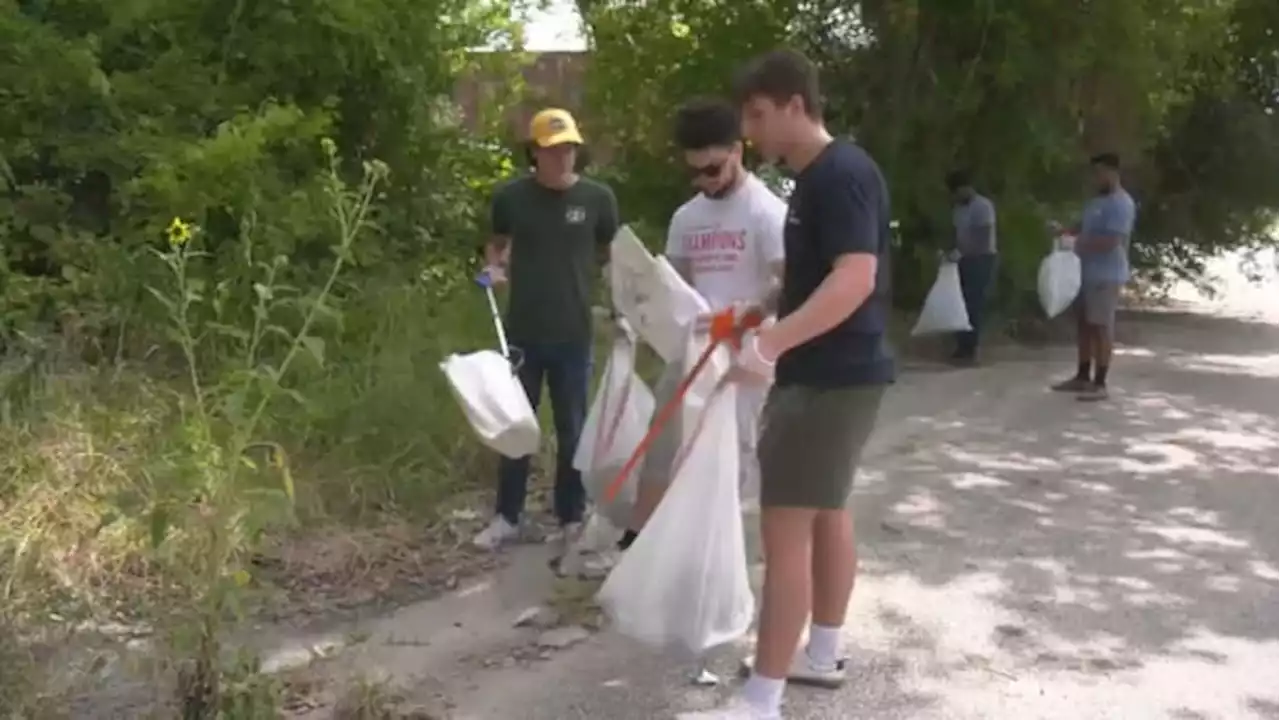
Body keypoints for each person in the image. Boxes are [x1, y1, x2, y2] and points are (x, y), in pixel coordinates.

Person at [678, 49, 896, 720]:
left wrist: (769, 344)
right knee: (826, 514)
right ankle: (821, 653)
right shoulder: (816, 180)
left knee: (786, 534)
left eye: (759, 115)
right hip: (841, 375)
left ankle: (760, 700)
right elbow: (812, 274)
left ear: (796, 105)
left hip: (826, 380)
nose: (751, 131)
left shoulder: (839, 175)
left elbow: (854, 277)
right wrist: (760, 307)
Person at [580, 96, 786, 579]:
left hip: (745, 355)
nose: (705, 182)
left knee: (726, 456)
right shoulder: (687, 217)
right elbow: (674, 282)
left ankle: (714, 561)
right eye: (694, 173)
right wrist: (639, 310)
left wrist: (745, 314)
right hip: (691, 348)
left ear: (738, 151)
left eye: (713, 169)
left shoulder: (766, 212)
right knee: (663, 445)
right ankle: (636, 548)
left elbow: (785, 280)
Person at [472, 108, 621, 567]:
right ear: (534, 152)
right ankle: (508, 516)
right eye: (554, 150)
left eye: (570, 149)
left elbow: (613, 255)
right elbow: (497, 244)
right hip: (522, 332)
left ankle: (571, 515)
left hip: (574, 333)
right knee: (517, 425)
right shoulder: (512, 198)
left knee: (573, 427)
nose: (563, 158)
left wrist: (624, 304)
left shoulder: (598, 199)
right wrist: (494, 269)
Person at [1050, 152, 1136, 402]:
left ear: (1113, 172)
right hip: (1083, 272)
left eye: (1100, 173)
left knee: (1101, 326)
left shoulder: (1121, 204)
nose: (1096, 178)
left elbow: (1111, 241)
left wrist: (1076, 244)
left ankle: (1100, 383)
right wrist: (1064, 231)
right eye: (1094, 174)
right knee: (1084, 325)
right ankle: (1081, 375)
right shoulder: (1096, 202)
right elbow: (1081, 226)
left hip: (1106, 275)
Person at [944, 170, 998, 364]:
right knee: (959, 303)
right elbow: (957, 233)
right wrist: (951, 251)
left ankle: (972, 349)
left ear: (966, 188)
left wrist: (963, 251)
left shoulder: (983, 206)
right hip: (963, 259)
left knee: (974, 304)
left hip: (981, 259)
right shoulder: (958, 209)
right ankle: (961, 346)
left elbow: (983, 237)